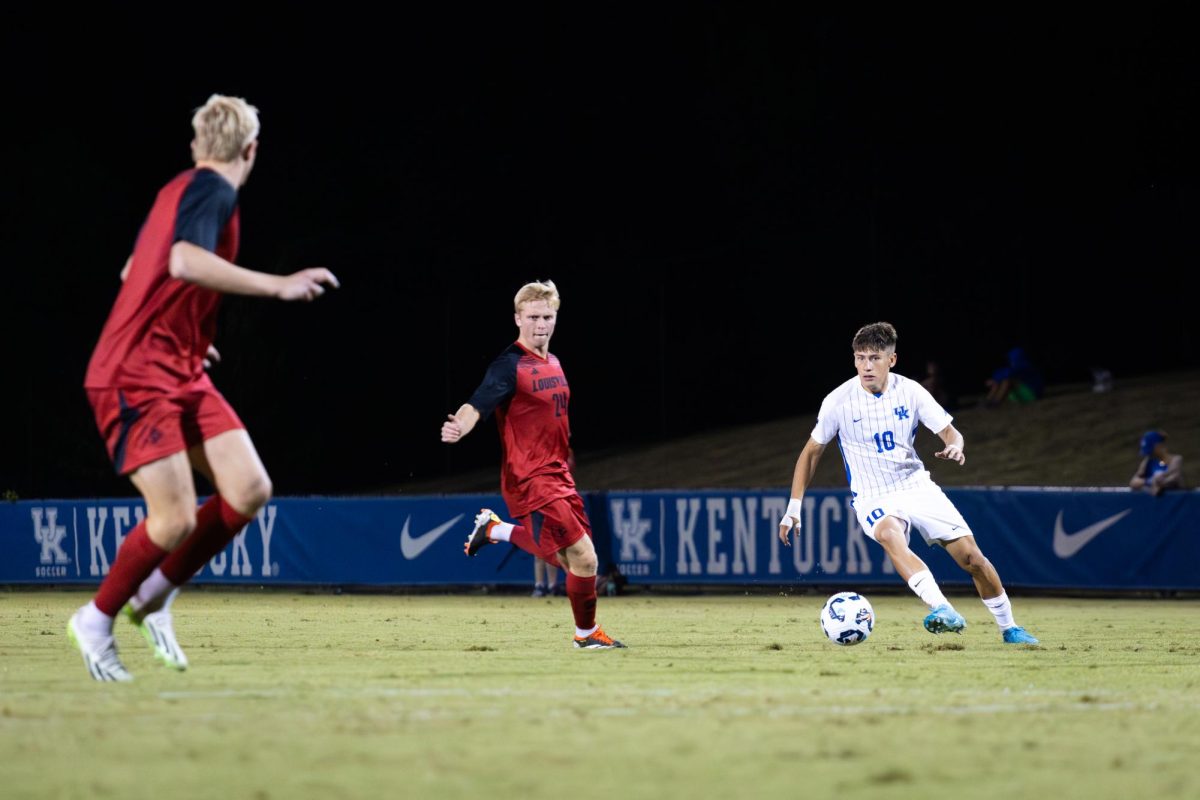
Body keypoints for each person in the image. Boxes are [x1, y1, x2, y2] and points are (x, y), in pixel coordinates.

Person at [69, 95, 340, 681]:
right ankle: (95, 619)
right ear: (252, 150)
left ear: (197, 144)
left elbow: (133, 270)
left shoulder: (179, 189)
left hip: (177, 366)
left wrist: (182, 327)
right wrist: (278, 286)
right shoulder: (214, 189)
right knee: (174, 521)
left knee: (248, 488)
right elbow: (185, 262)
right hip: (134, 373)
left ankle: (156, 597)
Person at [778, 322, 1038, 645]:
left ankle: (1010, 628)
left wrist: (956, 445)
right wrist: (794, 507)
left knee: (973, 559)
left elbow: (949, 432)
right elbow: (811, 453)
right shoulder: (838, 401)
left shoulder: (911, 392)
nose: (866, 366)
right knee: (890, 534)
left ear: (892, 360)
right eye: (860, 358)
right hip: (872, 495)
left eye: (874, 357)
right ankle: (942, 607)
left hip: (916, 486)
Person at [440, 280, 624, 649]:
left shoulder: (553, 361)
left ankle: (494, 530)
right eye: (533, 317)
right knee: (585, 558)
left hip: (559, 474)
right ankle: (586, 636)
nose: (541, 324)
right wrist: (462, 424)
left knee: (579, 563)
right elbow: (479, 402)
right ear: (517, 319)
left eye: (547, 316)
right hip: (530, 478)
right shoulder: (509, 365)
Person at [1130, 430, 1184, 495]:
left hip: (1174, 499)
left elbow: (1173, 479)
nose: (1149, 454)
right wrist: (1149, 482)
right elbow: (1133, 482)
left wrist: (1157, 482)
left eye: (1150, 450)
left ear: (1158, 446)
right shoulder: (1147, 461)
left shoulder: (1176, 460)